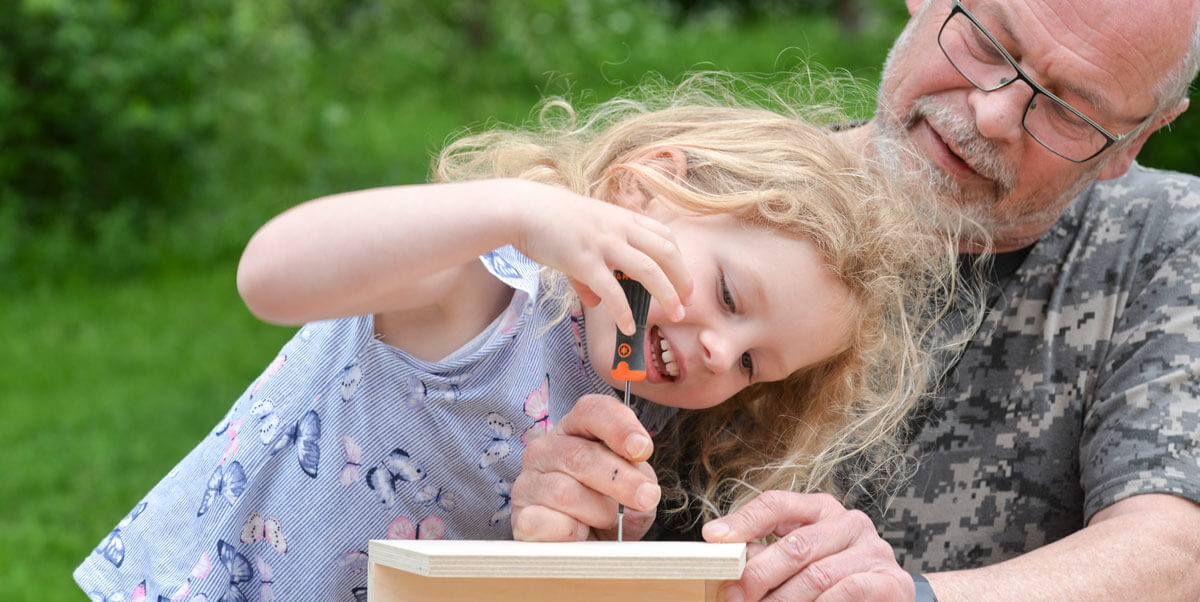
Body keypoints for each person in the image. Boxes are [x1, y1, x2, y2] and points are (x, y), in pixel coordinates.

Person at [74, 77, 967, 600]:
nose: (716, 354)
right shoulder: (484, 283)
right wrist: (516, 207)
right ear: (641, 192)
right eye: (730, 295)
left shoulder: (630, 406)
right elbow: (268, 275)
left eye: (753, 364)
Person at [514, 0, 1200, 600]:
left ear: (1133, 142)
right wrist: (562, 525)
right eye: (989, 43)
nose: (994, 114)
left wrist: (900, 597)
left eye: (1067, 107)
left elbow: (1175, 553)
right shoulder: (721, 198)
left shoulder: (1166, 245)